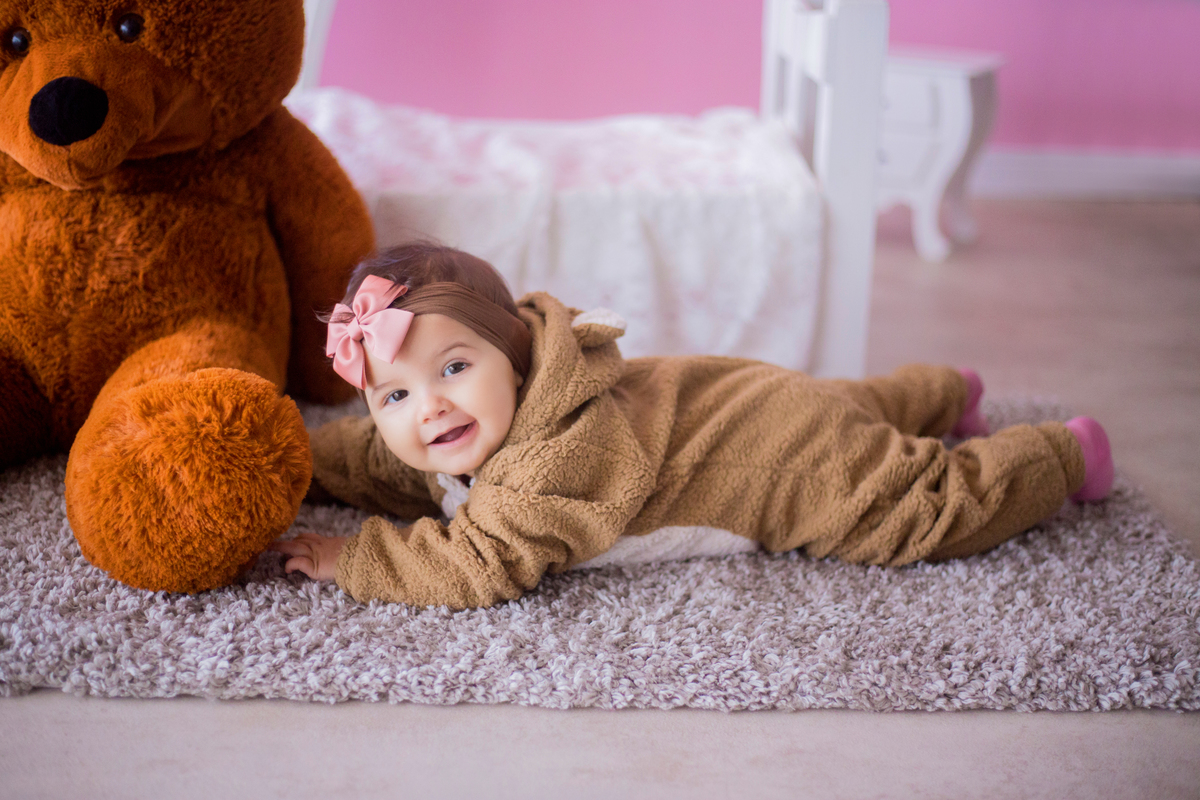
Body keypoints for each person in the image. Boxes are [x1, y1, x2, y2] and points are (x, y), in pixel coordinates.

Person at [270, 243, 1115, 609]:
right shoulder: (483, 421)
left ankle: (1058, 453)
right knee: (854, 403)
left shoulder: (545, 468)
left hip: (777, 460)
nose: (433, 409)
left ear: (517, 356)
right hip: (743, 396)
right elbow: (399, 467)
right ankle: (942, 393)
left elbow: (475, 566)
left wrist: (355, 557)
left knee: (917, 509)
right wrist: (296, 459)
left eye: (454, 369)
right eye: (394, 397)